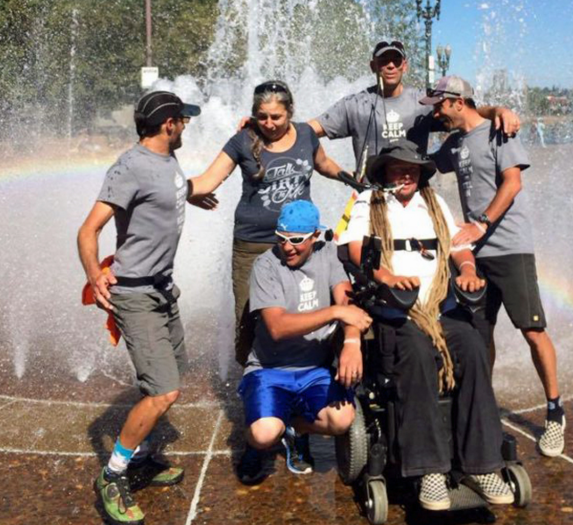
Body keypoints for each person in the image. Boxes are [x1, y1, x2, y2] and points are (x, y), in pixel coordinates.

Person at [338, 139, 513, 510]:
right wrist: (385, 276)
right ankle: (429, 470)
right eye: (398, 168)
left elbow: (456, 246)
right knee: (415, 354)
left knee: (472, 347)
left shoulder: (434, 203)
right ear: (385, 171)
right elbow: (355, 249)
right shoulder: (369, 202)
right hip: (395, 311)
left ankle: (481, 465)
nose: (405, 174)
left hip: (437, 308)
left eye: (412, 169)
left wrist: (467, 268)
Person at [421, 76, 566, 458]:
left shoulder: (499, 132)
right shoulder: (454, 143)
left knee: (532, 330)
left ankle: (555, 412)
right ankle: (480, 407)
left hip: (510, 248)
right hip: (473, 255)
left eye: (438, 106)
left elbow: (512, 183)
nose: (436, 114)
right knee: (478, 336)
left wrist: (482, 222)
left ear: (456, 102)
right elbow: (421, 169)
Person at [77, 91, 201, 525]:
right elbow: (88, 230)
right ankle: (113, 476)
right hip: (136, 294)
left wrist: (193, 194)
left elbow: (172, 191)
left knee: (171, 377)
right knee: (164, 391)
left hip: (165, 290)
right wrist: (96, 275)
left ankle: (144, 454)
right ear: (168, 124)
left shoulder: (167, 163)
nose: (186, 125)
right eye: (183, 119)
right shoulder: (130, 166)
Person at [188, 80, 346, 366]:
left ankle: (308, 374)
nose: (269, 123)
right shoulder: (242, 141)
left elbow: (324, 164)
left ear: (290, 112)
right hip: (253, 245)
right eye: (262, 117)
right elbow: (208, 179)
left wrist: (350, 178)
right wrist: (184, 190)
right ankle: (253, 380)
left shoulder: (307, 135)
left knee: (306, 309)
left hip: (302, 244)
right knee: (249, 322)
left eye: (277, 117)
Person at [236, 200, 372, 484]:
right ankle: (257, 441)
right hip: (269, 369)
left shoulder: (329, 255)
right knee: (263, 434)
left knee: (342, 419)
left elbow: (348, 302)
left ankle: (295, 430)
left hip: (315, 368)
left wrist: (351, 343)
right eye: (281, 239)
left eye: (297, 240)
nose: (287, 247)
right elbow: (277, 327)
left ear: (314, 237)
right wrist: (335, 312)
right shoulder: (266, 265)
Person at [308, 40, 521, 172]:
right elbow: (307, 132)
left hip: (415, 193)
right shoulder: (353, 105)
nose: (391, 65)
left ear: (405, 66)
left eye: (396, 60)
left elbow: (464, 111)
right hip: (371, 195)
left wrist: (498, 111)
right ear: (373, 66)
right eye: (384, 61)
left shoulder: (423, 101)